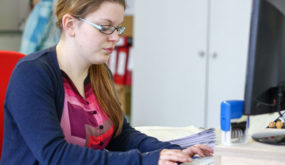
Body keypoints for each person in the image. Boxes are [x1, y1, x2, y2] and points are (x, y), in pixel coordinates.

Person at [0, 0, 213, 164]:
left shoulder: (99, 72)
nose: (115, 38)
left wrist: (172, 150)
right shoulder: (33, 74)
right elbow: (55, 156)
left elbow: (120, 135)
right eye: (104, 27)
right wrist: (144, 160)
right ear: (70, 24)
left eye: (118, 28)